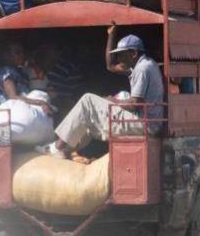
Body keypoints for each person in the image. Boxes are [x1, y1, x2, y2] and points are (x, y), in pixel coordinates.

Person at [38, 30, 164, 159]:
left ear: (133, 53)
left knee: (88, 100)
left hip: (144, 123)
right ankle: (64, 150)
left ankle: (56, 147)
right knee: (88, 121)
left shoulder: (142, 68)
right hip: (146, 122)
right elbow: (110, 66)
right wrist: (111, 35)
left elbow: (134, 104)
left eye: (121, 54)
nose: (119, 58)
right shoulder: (145, 64)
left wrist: (111, 100)